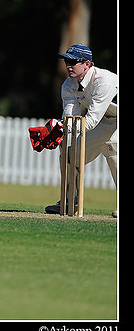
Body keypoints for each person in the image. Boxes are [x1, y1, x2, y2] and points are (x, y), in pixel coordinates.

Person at [43, 44, 118, 215]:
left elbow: (90, 121)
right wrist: (57, 128)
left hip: (105, 119)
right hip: (107, 119)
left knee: (112, 145)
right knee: (71, 154)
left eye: (74, 61)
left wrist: (63, 127)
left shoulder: (103, 81)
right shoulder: (68, 85)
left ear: (87, 64)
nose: (69, 65)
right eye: (67, 61)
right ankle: (71, 201)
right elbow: (70, 118)